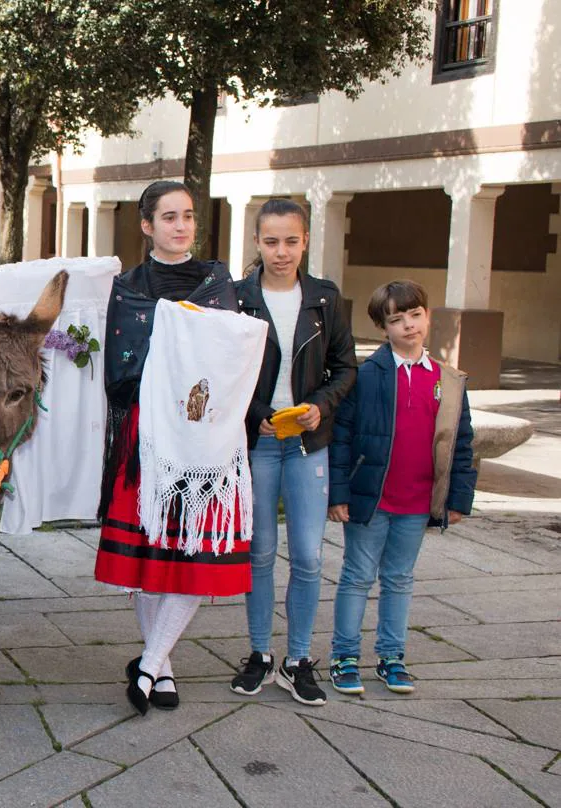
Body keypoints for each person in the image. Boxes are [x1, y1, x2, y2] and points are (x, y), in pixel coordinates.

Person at [95, 180, 260, 716]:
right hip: (149, 436)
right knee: (147, 554)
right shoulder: (129, 288)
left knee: (194, 551)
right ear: (147, 226)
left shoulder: (219, 284)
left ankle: (148, 663)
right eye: (168, 217)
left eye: (188, 216)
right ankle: (160, 667)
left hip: (206, 434)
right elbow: (121, 368)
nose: (181, 225)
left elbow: (231, 358)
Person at [229, 199, 357, 705]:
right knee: (259, 553)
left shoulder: (324, 299)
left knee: (307, 555)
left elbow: (346, 368)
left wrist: (321, 407)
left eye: (291, 241)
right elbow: (222, 369)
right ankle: (260, 655)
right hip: (260, 442)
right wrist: (255, 409)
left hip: (308, 445)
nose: (281, 252)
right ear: (257, 243)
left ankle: (298, 658)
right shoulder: (238, 298)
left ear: (305, 241)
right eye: (271, 241)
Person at [328, 280, 475, 696]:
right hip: (370, 499)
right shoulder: (366, 375)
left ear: (427, 317)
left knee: (399, 578)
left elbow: (461, 442)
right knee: (357, 576)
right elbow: (342, 436)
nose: (408, 325)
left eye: (415, 315)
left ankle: (392, 657)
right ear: (382, 327)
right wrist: (338, 493)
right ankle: (344, 656)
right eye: (397, 319)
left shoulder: (448, 380)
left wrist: (458, 498)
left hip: (416, 502)